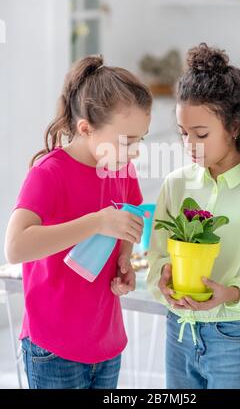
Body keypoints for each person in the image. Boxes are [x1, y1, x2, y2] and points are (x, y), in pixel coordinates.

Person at [147, 43, 240, 389]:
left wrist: (230, 294)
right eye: (184, 134)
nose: (190, 144)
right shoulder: (175, 185)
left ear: (234, 127)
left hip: (232, 337)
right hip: (179, 331)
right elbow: (156, 256)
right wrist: (163, 283)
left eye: (201, 134)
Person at [5, 55, 152, 389]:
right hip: (54, 348)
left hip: (106, 341)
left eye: (140, 139)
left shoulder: (120, 168)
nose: (135, 152)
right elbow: (15, 247)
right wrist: (95, 223)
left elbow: (130, 214)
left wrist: (123, 259)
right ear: (86, 128)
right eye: (127, 141)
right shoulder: (50, 173)